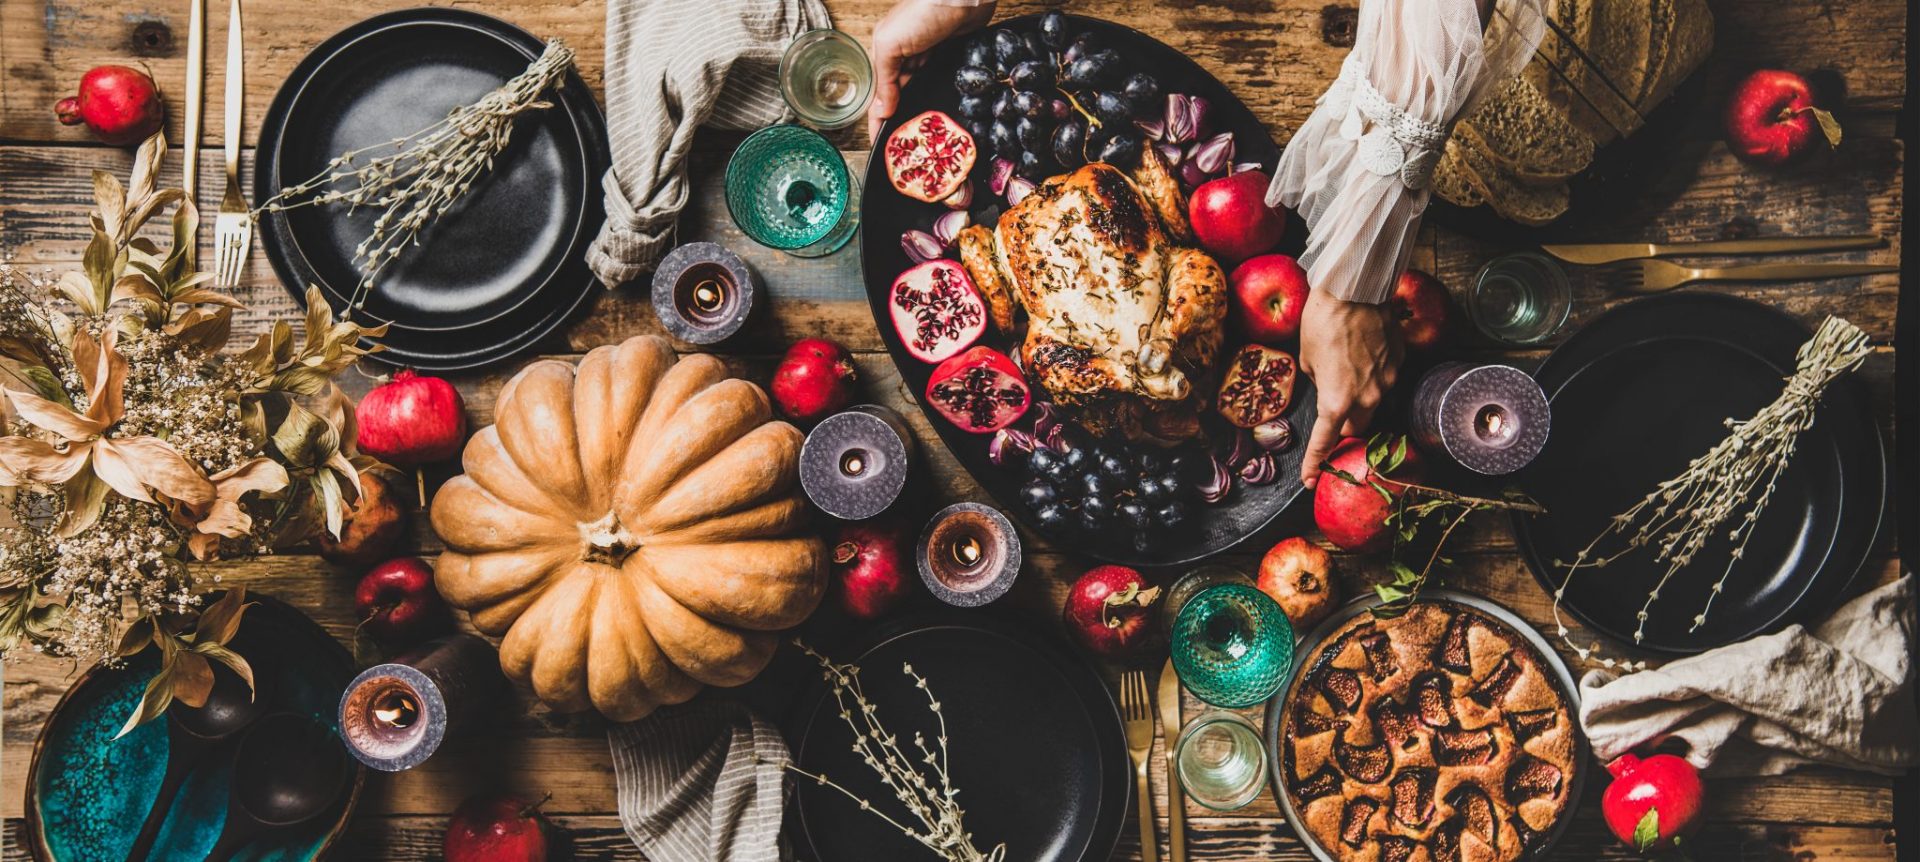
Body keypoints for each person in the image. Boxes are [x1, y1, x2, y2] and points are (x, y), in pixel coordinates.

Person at [866, 0, 1541, 487]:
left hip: (1110, 270)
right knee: (1172, 272)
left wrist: (1352, 280)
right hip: (1071, 281)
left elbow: (1438, 33)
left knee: (1173, 270)